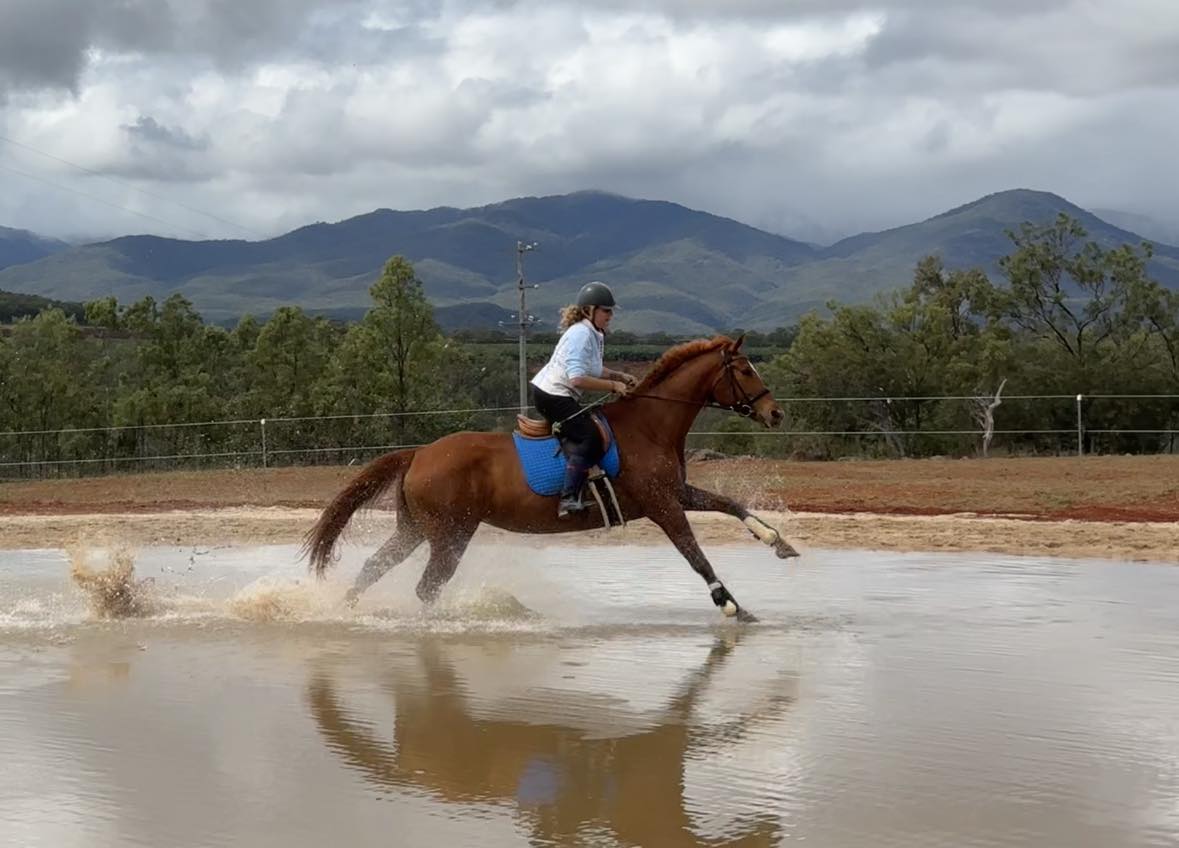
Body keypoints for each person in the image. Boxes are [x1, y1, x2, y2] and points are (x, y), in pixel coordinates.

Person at [530, 281, 638, 518]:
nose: (610, 316)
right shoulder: (581, 334)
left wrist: (618, 376)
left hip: (556, 393)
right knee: (589, 436)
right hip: (552, 395)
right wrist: (613, 386)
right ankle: (568, 498)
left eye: (610, 311)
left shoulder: (592, 333)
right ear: (590, 310)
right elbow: (577, 378)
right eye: (606, 311)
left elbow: (593, 368)